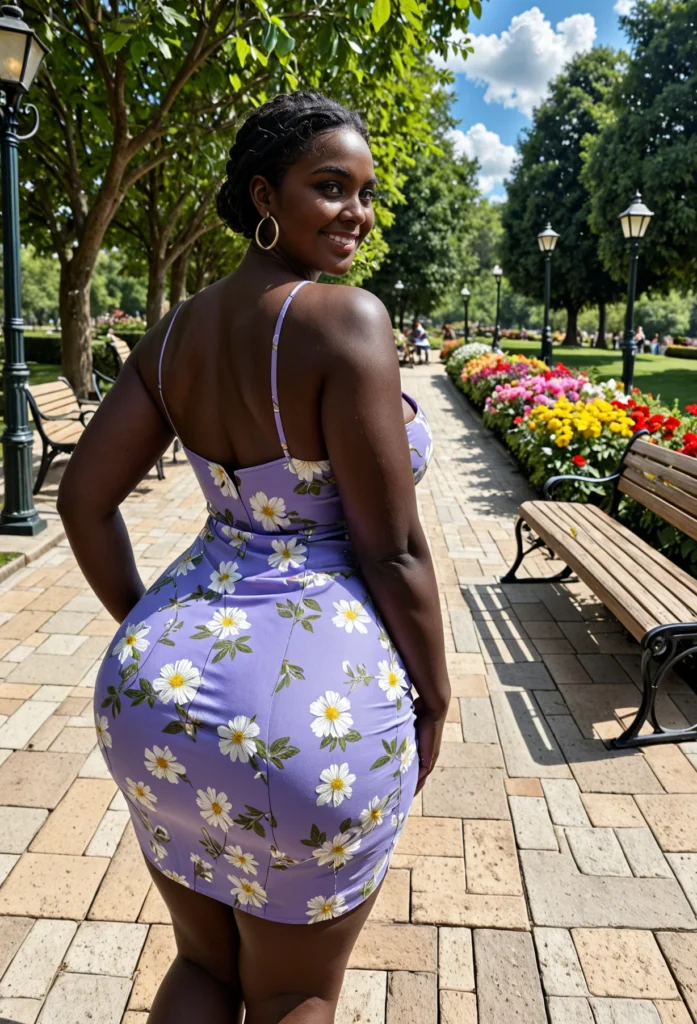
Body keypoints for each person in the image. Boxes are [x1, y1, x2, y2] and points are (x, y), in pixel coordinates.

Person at [57, 91, 449, 1024]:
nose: (354, 212)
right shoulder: (344, 321)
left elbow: (82, 500)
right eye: (328, 187)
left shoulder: (176, 331)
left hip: (155, 703)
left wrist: (156, 631)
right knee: (292, 993)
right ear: (263, 194)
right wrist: (433, 701)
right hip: (309, 728)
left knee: (204, 968)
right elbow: (388, 551)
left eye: (363, 191)